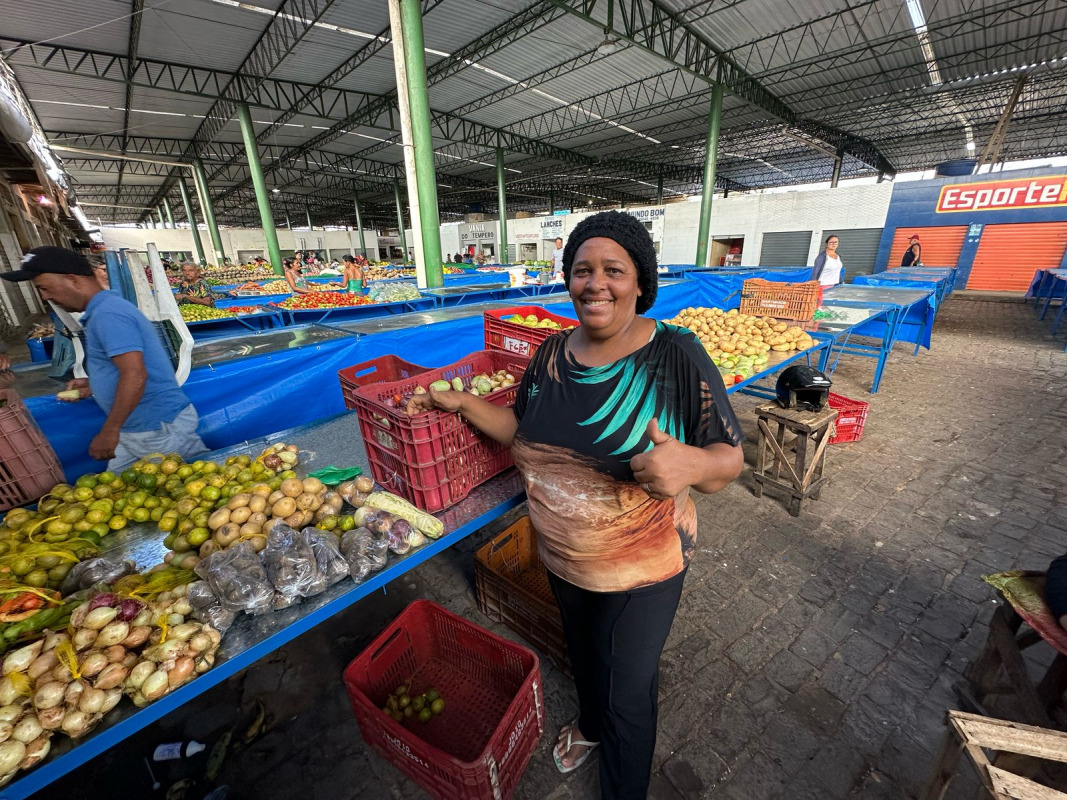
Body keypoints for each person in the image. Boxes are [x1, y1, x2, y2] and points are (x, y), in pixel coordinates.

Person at [412, 211, 744, 799]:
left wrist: (692, 465)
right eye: (582, 270)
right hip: (562, 557)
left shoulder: (675, 354)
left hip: (642, 568)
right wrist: (462, 403)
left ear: (640, 282)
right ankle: (590, 726)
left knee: (628, 694)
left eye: (614, 270)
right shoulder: (549, 355)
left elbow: (729, 459)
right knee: (586, 656)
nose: (596, 284)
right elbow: (520, 428)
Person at [2, 247, 207, 470]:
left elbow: (135, 373)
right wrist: (95, 385)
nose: (45, 297)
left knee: (194, 478)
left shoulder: (108, 314)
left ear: (72, 280)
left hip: (157, 425)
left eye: (44, 288)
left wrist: (110, 430)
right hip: (139, 426)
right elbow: (126, 367)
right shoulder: (102, 311)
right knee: (121, 484)